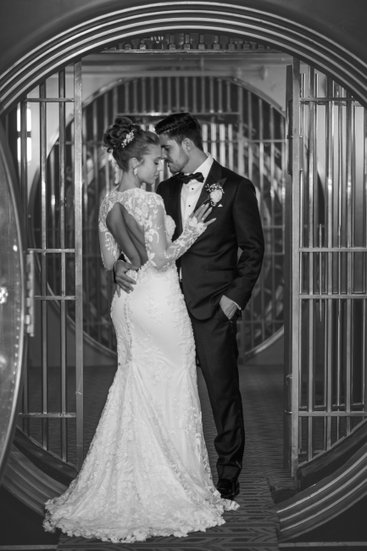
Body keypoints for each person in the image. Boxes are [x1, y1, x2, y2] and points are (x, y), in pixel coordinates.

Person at [43, 116, 238, 544]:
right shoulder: (148, 202)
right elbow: (163, 259)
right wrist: (196, 228)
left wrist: (118, 269)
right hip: (159, 302)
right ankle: (173, 480)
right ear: (135, 165)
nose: (159, 169)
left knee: (136, 383)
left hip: (126, 305)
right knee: (173, 383)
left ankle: (133, 477)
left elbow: (108, 259)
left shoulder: (107, 201)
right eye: (152, 162)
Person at [115, 112, 264, 501]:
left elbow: (253, 250)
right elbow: (140, 242)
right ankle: (172, 474)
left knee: (222, 395)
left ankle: (228, 476)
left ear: (186, 144)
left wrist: (233, 300)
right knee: (170, 393)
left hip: (214, 309)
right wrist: (117, 264)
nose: (163, 158)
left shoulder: (235, 187)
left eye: (166, 148)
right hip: (166, 310)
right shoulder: (161, 191)